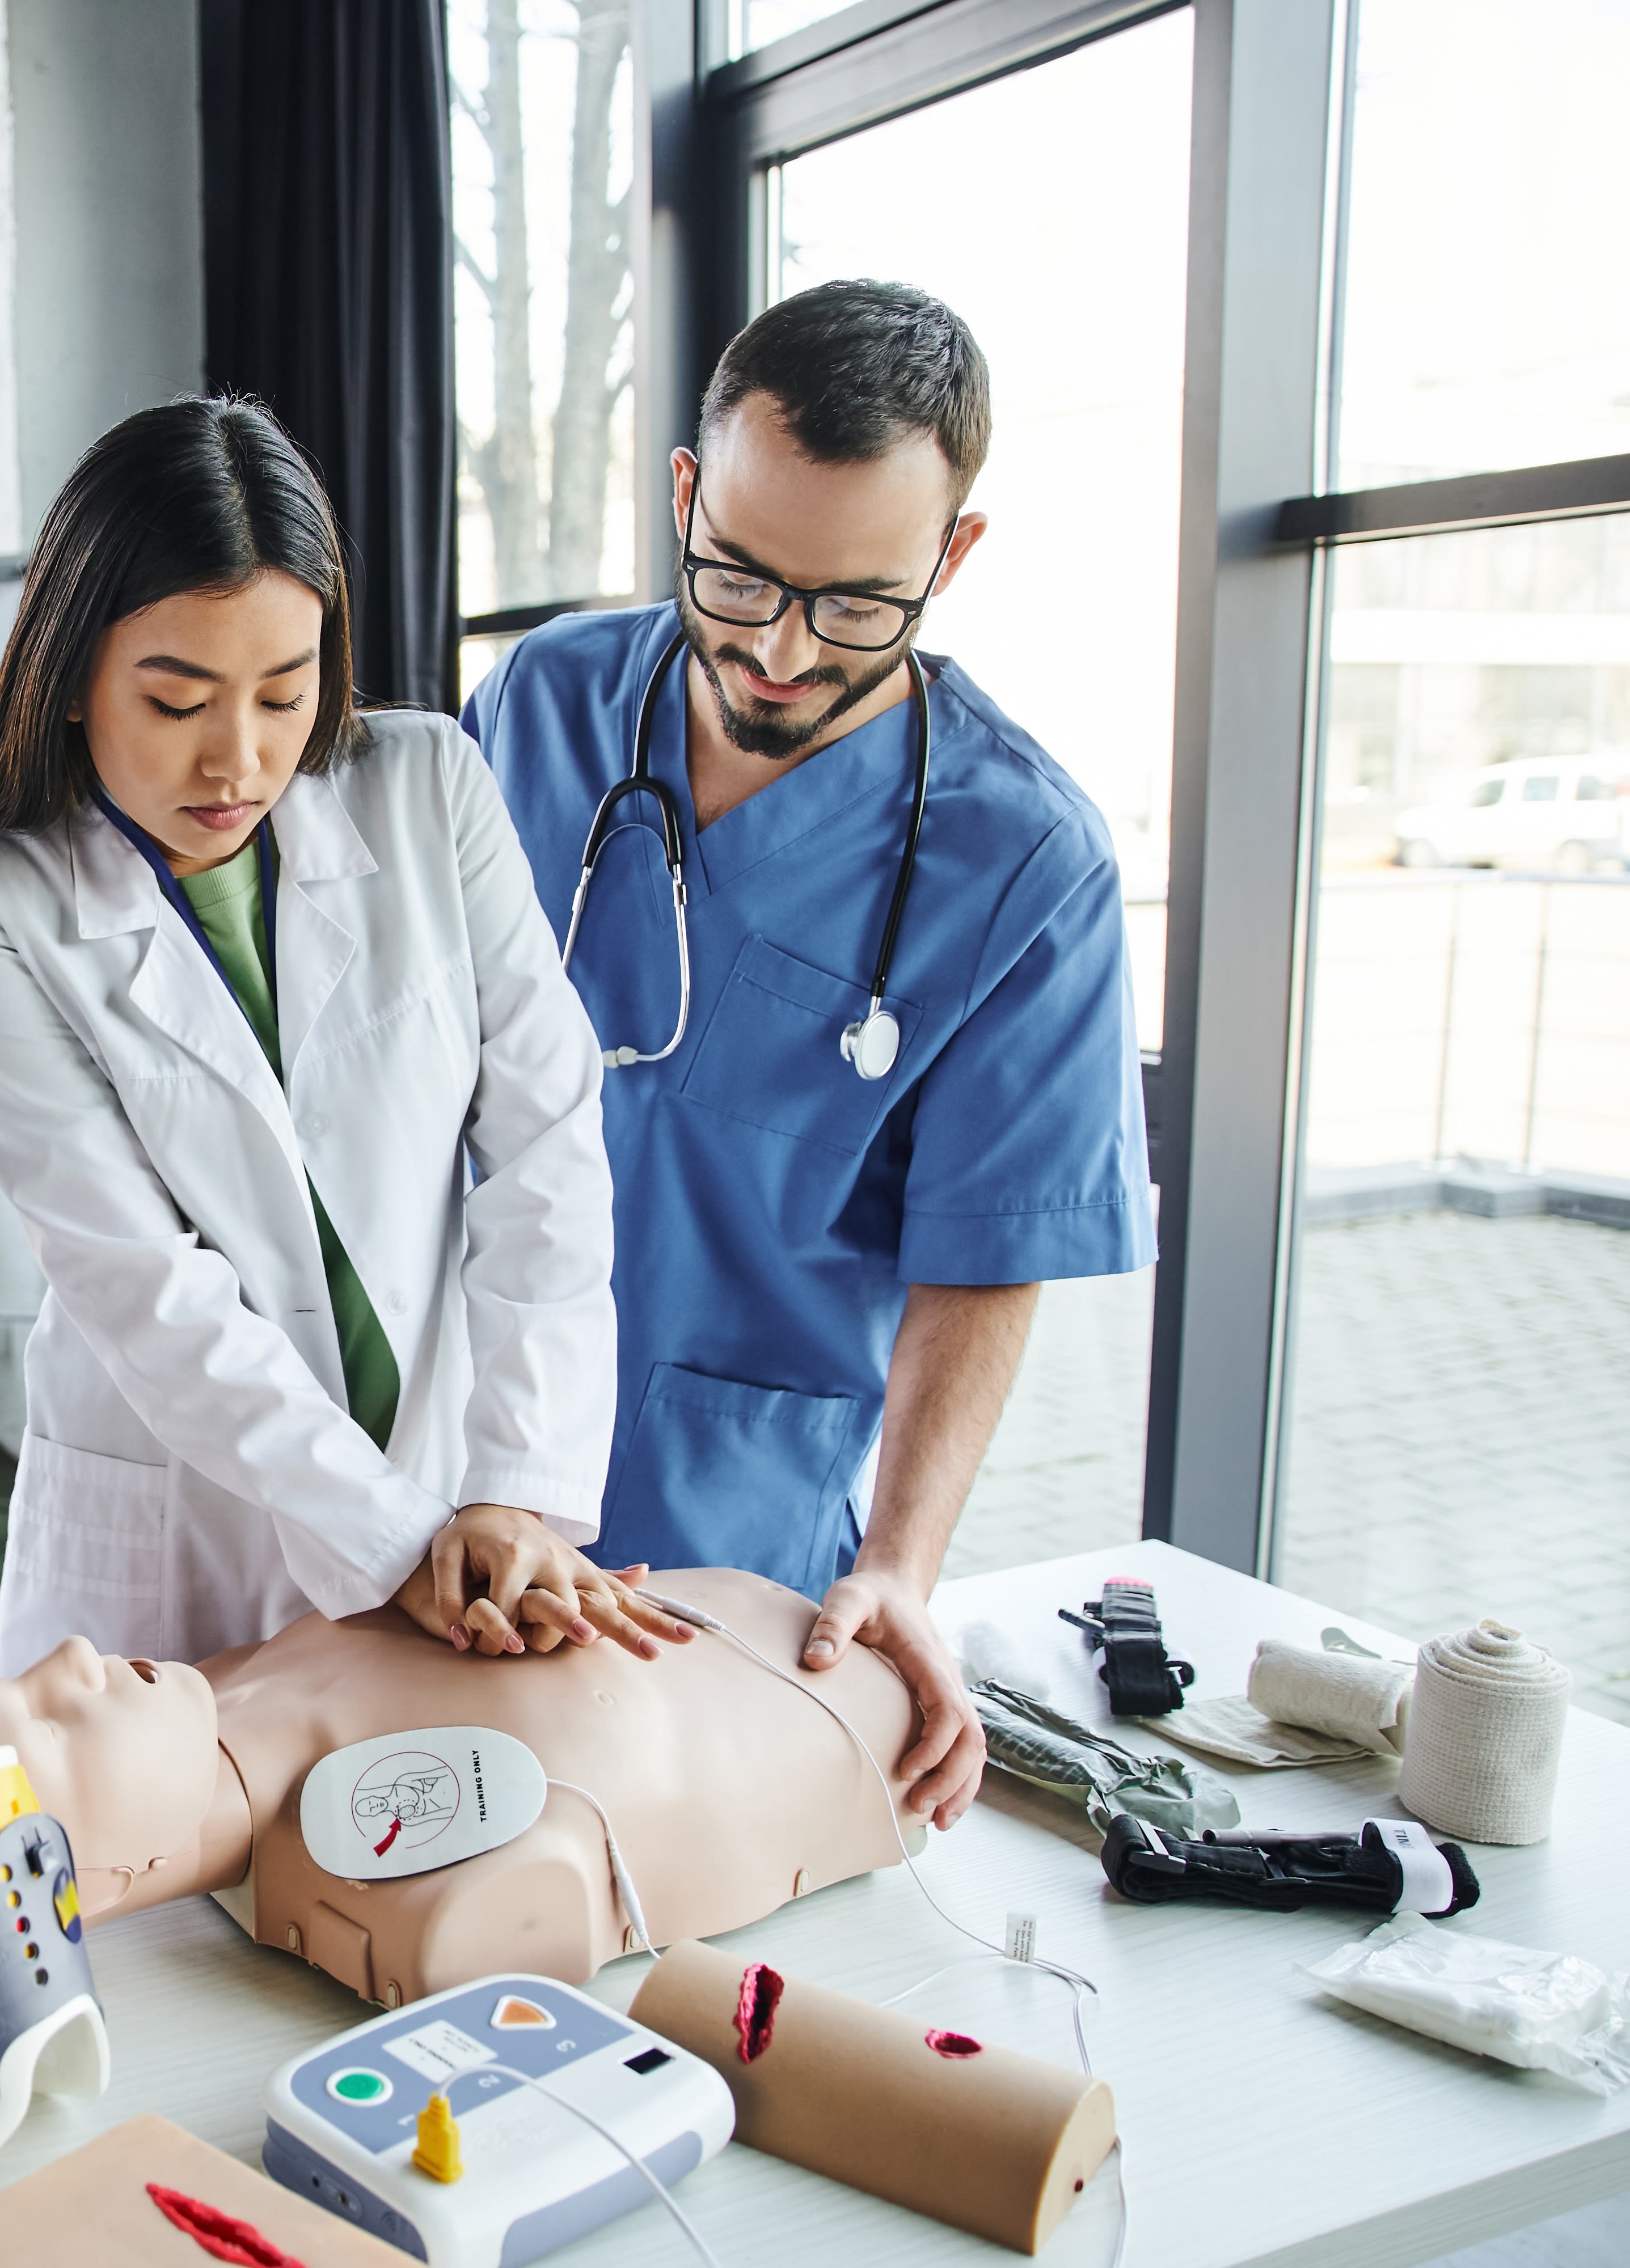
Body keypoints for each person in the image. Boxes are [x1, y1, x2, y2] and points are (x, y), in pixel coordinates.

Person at [464, 281, 1155, 1834]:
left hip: (729, 1526)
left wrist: (901, 1564)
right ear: (688, 493)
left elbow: (985, 1259)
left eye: (857, 604)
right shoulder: (539, 705)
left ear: (951, 557)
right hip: (455, 1472)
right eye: (739, 576)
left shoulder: (1026, 863)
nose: (779, 649)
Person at [0, 399, 690, 1677]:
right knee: (151, 1861)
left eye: (285, 691)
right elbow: (142, 1283)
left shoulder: (429, 786)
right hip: (178, 1534)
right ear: (73, 675)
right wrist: (403, 1543)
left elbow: (547, 1149)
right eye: (177, 699)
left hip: (452, 1500)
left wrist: (511, 1491)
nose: (240, 759)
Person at [0, 1568, 917, 2005]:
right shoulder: (360, 1869)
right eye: (48, 1724)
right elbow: (521, 1921)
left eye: (20, 1677)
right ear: (91, 1887)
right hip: (852, 1728)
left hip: (809, 1639)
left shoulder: (220, 1691)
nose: (71, 1656)